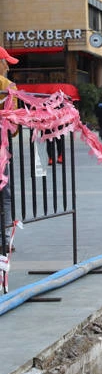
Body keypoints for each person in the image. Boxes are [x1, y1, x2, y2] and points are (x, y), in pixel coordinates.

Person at [0, 47, 18, 253]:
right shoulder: (7, 86)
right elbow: (13, 125)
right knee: (4, 194)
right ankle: (4, 239)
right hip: (1, 148)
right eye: (6, 63)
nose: (8, 68)